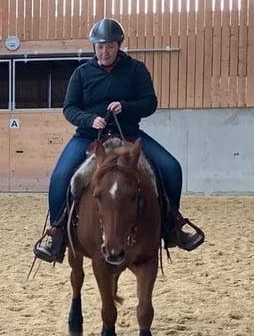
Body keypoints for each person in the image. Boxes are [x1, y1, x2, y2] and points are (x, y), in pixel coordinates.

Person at [33, 18, 204, 263]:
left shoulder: (136, 70)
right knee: (60, 177)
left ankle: (171, 225)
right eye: (100, 47)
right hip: (89, 136)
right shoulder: (81, 73)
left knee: (171, 167)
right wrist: (89, 119)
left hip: (128, 134)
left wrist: (126, 106)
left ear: (119, 46)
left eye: (110, 47)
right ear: (93, 47)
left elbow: (149, 104)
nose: (104, 52)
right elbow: (69, 108)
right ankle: (57, 235)